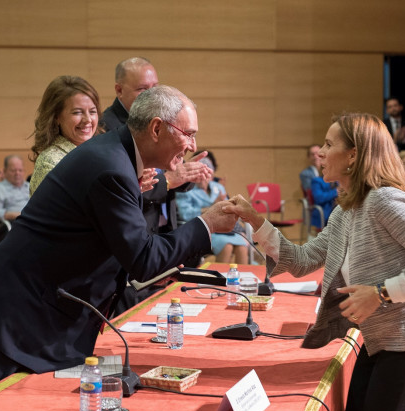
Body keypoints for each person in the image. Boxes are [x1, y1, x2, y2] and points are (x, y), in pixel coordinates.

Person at [0, 85, 238, 399]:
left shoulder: (117, 155)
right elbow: (143, 258)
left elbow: (119, 241)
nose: (192, 145)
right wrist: (207, 223)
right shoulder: (111, 168)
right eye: (188, 133)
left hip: (42, 314)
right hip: (16, 319)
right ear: (157, 128)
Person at [225, 113, 405, 411]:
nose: (320, 153)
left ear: (353, 155)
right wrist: (256, 219)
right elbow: (300, 260)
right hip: (382, 338)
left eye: (328, 144)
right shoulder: (345, 212)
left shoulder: (384, 201)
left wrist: (381, 293)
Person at [102, 57, 211, 235]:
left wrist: (186, 173)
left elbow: (170, 174)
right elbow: (120, 192)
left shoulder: (164, 118)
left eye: (155, 87)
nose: (152, 94)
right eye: (143, 89)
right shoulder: (107, 128)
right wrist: (168, 180)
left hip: (164, 225)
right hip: (135, 231)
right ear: (119, 90)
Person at [28, 75, 104, 195]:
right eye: (77, 112)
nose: (88, 120)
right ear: (56, 117)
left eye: (93, 111)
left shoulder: (103, 152)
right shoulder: (50, 162)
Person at [176, 154, 248, 264]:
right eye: (201, 172)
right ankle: (220, 280)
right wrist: (212, 207)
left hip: (224, 229)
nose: (205, 176)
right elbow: (184, 214)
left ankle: (242, 279)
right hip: (203, 228)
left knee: (242, 247)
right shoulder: (186, 189)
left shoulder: (218, 187)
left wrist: (240, 230)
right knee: (227, 246)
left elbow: (230, 209)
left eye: (208, 172)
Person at [0, 155, 30, 247]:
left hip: (32, 221)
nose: (17, 173)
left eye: (20, 170)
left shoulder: (30, 187)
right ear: (5, 171)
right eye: (13, 170)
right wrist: (10, 214)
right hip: (12, 224)